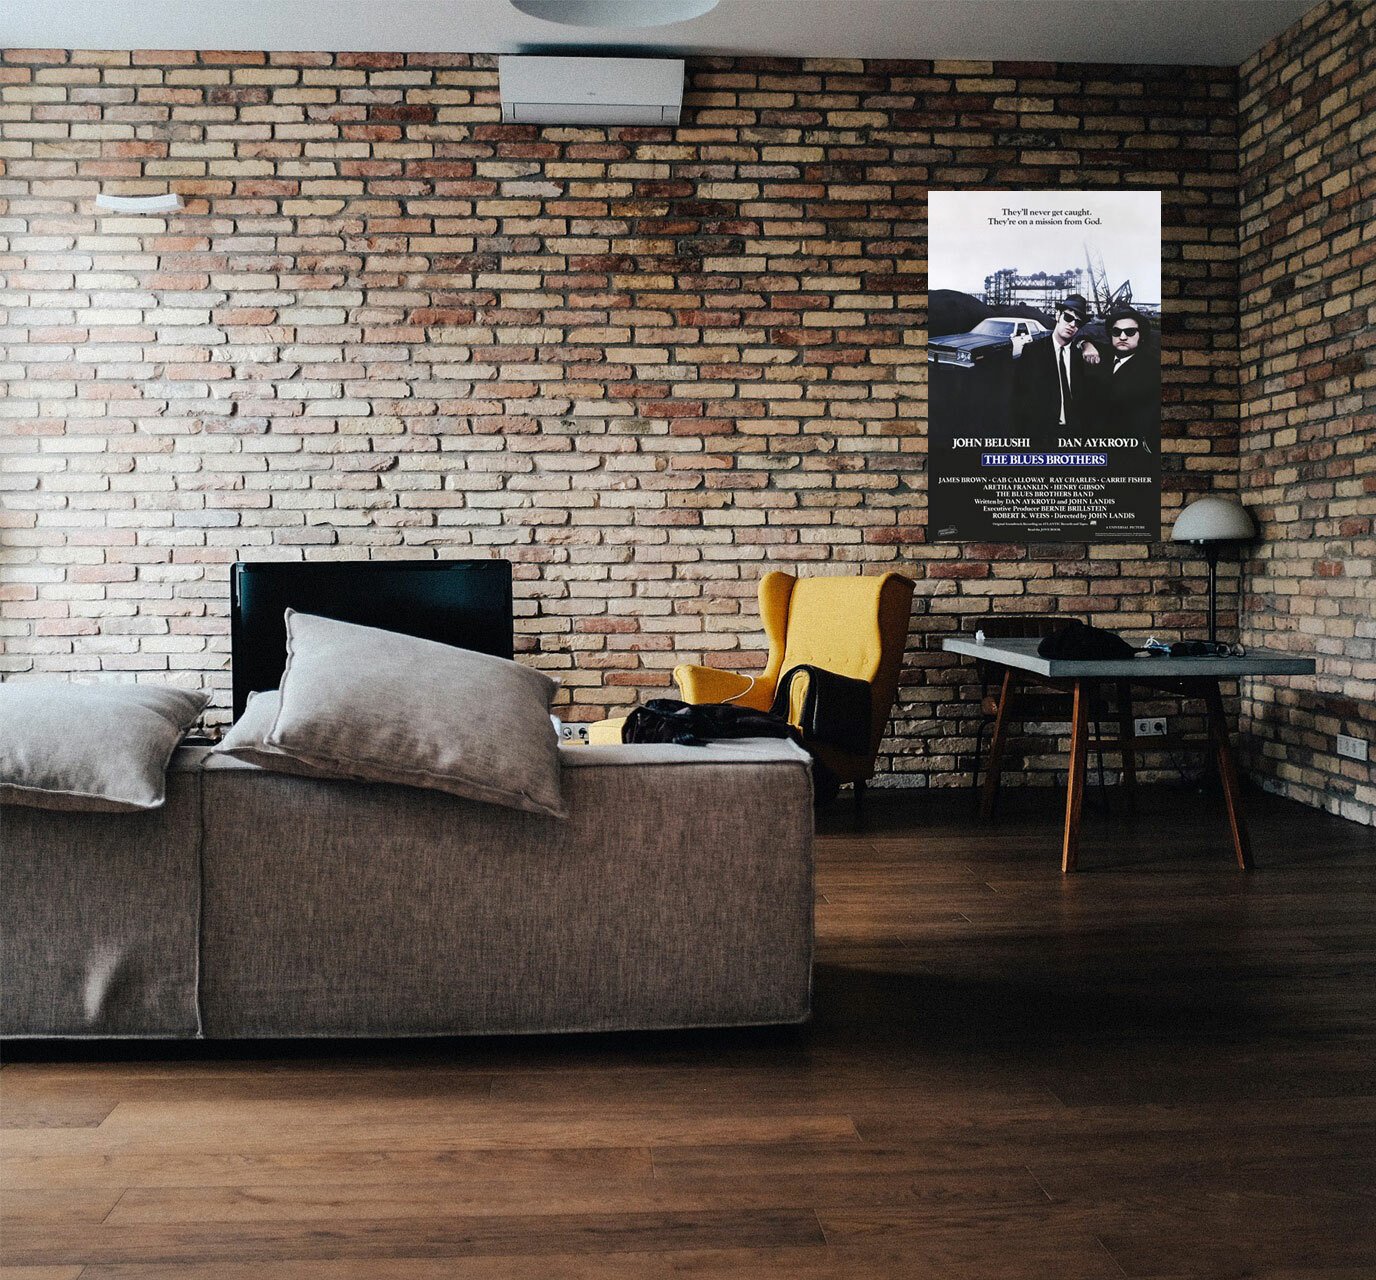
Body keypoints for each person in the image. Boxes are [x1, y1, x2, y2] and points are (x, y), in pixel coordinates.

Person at [1015, 293, 1099, 450]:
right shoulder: (1033, 351)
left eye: (1078, 322)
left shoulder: (1080, 356)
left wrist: (1086, 343)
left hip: (1074, 437)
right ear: (1057, 315)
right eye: (1068, 318)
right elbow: (1019, 397)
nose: (1072, 324)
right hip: (1041, 436)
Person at [1089, 304, 1160, 439]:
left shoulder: (1152, 368)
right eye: (1116, 332)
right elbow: (1083, 337)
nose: (1122, 337)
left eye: (1130, 332)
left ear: (1141, 335)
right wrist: (1085, 344)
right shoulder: (1103, 355)